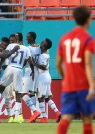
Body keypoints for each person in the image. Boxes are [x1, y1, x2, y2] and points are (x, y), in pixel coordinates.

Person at [56, 6, 95, 134]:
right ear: (88, 19)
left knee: (66, 118)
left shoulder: (64, 38)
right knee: (87, 118)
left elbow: (58, 63)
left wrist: (64, 79)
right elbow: (88, 64)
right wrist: (91, 85)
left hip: (69, 86)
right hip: (83, 85)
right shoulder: (88, 39)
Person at [0, 41, 40, 123]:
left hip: (9, 68)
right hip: (19, 70)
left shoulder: (10, 45)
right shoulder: (26, 48)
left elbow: (5, 55)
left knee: (1, 89)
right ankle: (17, 116)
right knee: (18, 93)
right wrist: (33, 71)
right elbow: (30, 61)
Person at [34, 38, 61, 123]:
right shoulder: (46, 54)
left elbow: (43, 67)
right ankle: (57, 112)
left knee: (40, 98)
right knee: (47, 98)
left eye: (42, 43)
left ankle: (44, 117)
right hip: (47, 77)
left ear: (44, 46)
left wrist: (33, 63)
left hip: (43, 77)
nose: (41, 43)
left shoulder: (43, 56)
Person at [20, 32, 41, 123]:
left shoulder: (28, 48)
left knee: (22, 94)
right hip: (37, 73)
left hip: (29, 72)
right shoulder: (40, 47)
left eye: (28, 37)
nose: (26, 39)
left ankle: (35, 111)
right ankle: (33, 116)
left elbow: (26, 62)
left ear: (32, 38)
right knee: (32, 94)